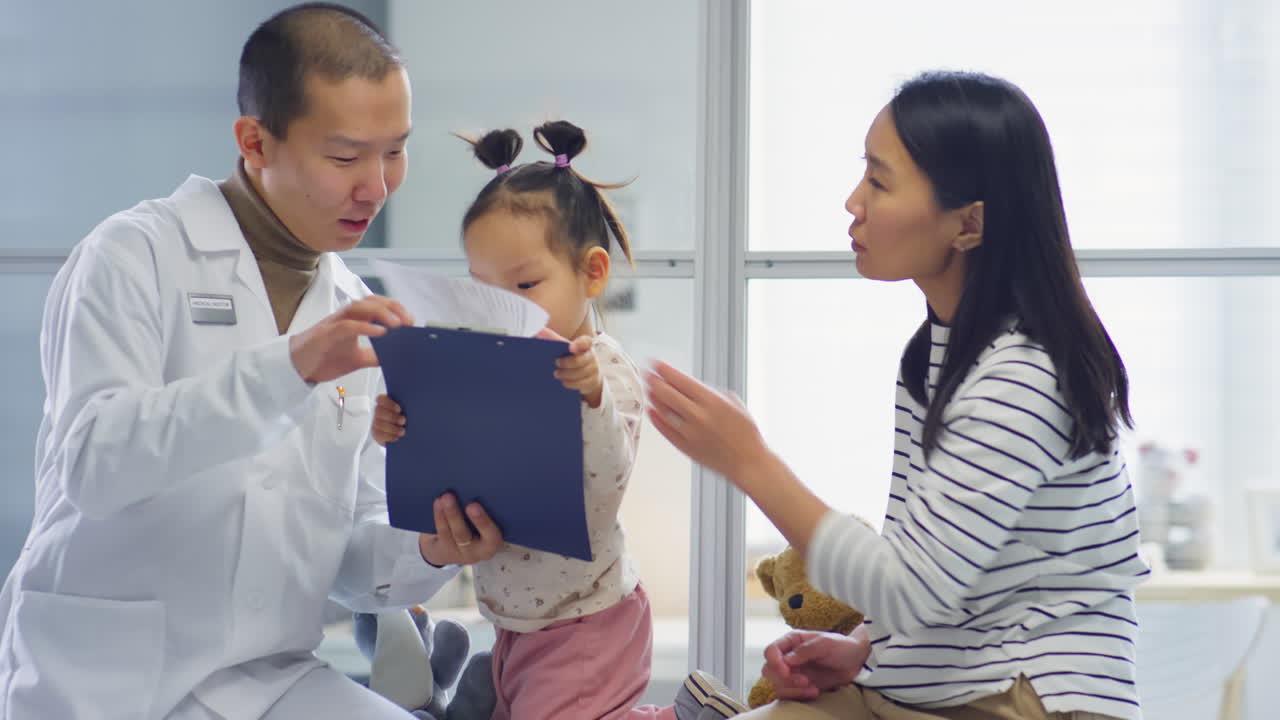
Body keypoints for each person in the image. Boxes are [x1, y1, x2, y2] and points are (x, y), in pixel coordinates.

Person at [0, 4, 504, 719]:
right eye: (344, 156)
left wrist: (427, 547)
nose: (378, 185)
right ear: (256, 142)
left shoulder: (353, 309)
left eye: (394, 149)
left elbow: (351, 559)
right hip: (102, 681)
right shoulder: (131, 256)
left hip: (268, 680)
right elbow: (94, 465)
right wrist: (290, 368)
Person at [647, 71, 1149, 720]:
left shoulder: (1023, 377)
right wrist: (864, 645)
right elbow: (937, 573)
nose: (853, 202)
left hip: (1029, 697)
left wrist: (748, 462)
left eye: (879, 182)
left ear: (968, 224)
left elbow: (907, 588)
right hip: (937, 685)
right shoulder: (932, 358)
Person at [373, 121, 745, 720]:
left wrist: (591, 399)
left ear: (591, 273)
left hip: (587, 621)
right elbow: (457, 457)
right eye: (482, 288)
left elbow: (602, 489)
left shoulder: (603, 370)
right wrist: (401, 426)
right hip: (516, 617)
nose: (503, 309)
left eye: (524, 285)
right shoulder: (491, 362)